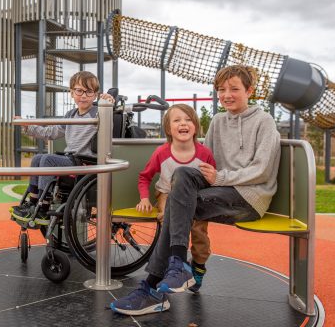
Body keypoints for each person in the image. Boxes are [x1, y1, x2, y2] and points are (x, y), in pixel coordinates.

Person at [110, 64, 281, 316]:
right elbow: (204, 165)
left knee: (175, 206)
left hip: (248, 198)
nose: (227, 95)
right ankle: (177, 266)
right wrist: (190, 181)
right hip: (219, 192)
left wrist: (220, 177)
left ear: (250, 91)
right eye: (221, 90)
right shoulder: (218, 120)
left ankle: (152, 286)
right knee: (182, 176)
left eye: (234, 89)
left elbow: (262, 170)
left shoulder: (264, 121)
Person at [11, 71, 115, 222]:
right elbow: (51, 132)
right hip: (71, 158)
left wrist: (109, 103)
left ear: (95, 94)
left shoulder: (99, 113)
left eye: (89, 91)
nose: (84, 95)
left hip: (85, 161)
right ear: (72, 93)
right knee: (37, 159)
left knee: (47, 160)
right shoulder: (71, 114)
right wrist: (28, 127)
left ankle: (43, 206)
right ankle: (32, 202)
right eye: (79, 91)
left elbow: (108, 122)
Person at [136, 103, 215, 294]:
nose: (183, 123)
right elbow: (144, 176)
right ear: (169, 129)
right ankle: (171, 266)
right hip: (166, 193)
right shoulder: (162, 153)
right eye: (177, 120)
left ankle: (197, 266)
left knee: (199, 232)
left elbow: (213, 180)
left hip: (194, 197)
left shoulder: (204, 153)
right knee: (168, 219)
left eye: (188, 120)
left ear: (195, 126)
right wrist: (145, 199)